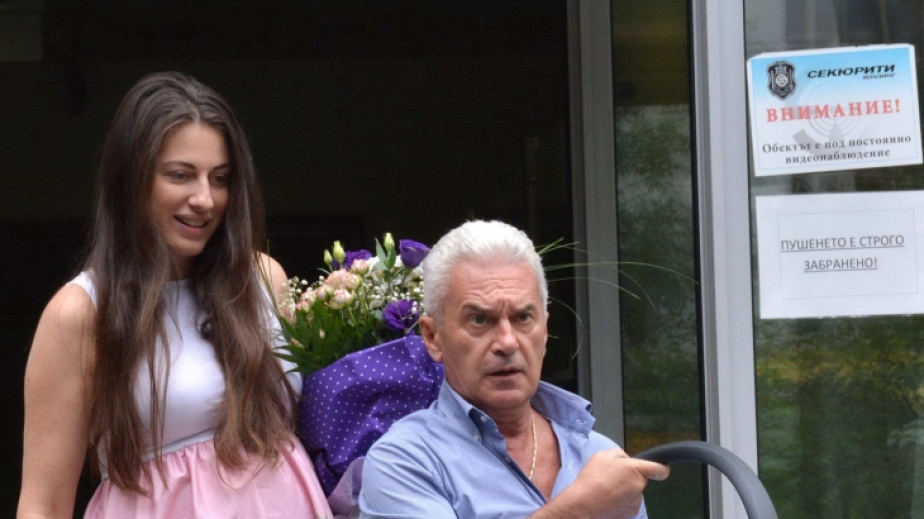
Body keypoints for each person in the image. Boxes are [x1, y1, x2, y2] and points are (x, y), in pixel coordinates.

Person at [17, 72, 332, 519]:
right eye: (180, 175)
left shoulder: (263, 277)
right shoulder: (81, 312)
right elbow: (43, 504)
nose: (205, 198)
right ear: (131, 180)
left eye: (220, 178)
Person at [359, 220, 669, 519]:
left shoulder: (597, 455)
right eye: (479, 320)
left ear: (545, 331)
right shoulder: (405, 461)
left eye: (523, 318)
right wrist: (578, 510)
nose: (507, 342)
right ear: (432, 337)